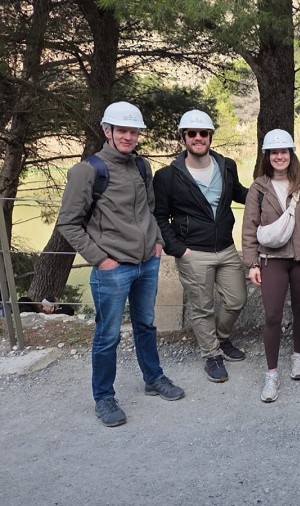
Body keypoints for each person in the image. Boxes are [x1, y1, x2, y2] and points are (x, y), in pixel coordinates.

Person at [57, 101, 184, 427]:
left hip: (146, 263)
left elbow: (150, 209)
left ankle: (153, 377)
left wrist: (157, 242)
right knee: (108, 335)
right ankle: (104, 397)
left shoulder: (142, 167)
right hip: (113, 268)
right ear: (107, 131)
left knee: (146, 325)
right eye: (122, 130)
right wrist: (100, 259)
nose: (128, 136)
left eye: (133, 131)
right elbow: (68, 223)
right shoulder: (89, 171)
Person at [153, 110, 249, 383]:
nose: (198, 138)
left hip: (226, 248)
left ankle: (221, 338)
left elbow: (239, 193)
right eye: (192, 134)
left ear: (210, 137)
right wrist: (179, 249)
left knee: (236, 299)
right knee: (202, 307)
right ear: (184, 137)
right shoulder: (168, 176)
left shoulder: (226, 165)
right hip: (193, 252)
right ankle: (212, 354)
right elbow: (159, 216)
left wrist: (270, 192)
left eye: (203, 133)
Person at [241, 129, 300, 402]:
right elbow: (249, 228)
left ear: (291, 154)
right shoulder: (258, 188)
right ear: (267, 156)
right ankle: (271, 374)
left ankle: (298, 356)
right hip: (271, 259)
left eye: (284, 151)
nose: (280, 156)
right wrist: (251, 263)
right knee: (272, 315)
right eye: (275, 152)